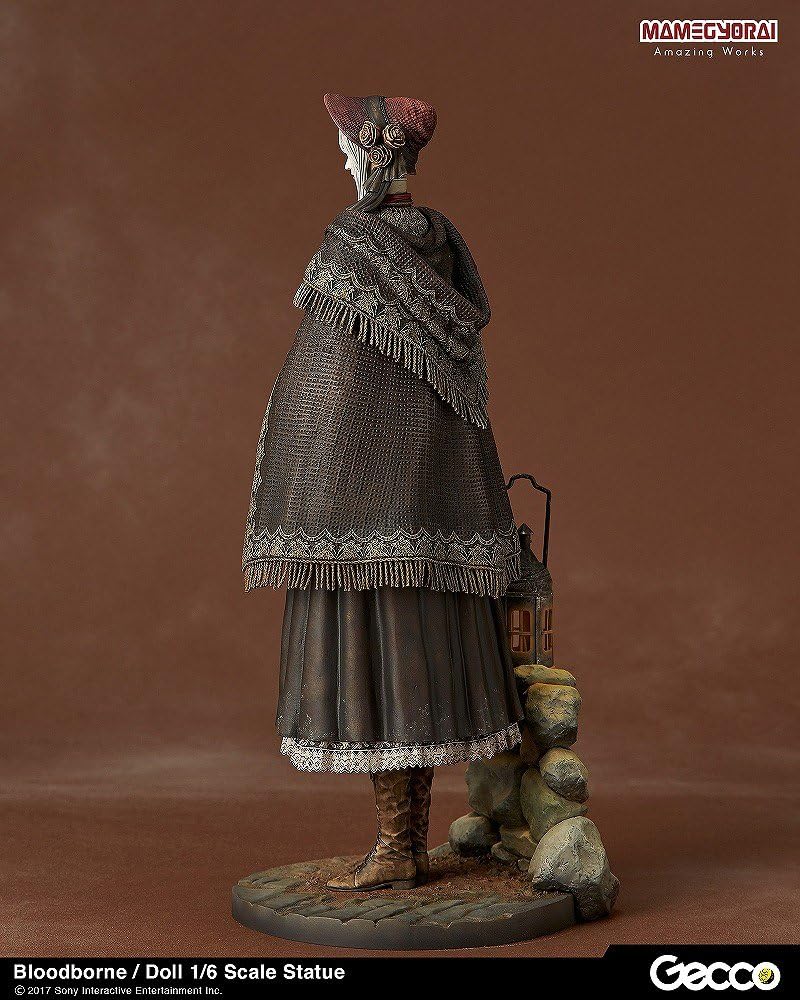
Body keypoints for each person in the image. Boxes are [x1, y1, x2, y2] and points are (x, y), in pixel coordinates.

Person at [243, 94, 522, 891]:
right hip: (435, 507)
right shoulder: (442, 246)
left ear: (373, 151)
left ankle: (398, 849)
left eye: (345, 146)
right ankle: (406, 846)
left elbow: (328, 381)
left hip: (358, 511)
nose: (340, 160)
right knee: (415, 675)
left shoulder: (354, 243)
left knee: (385, 676)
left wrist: (310, 470)